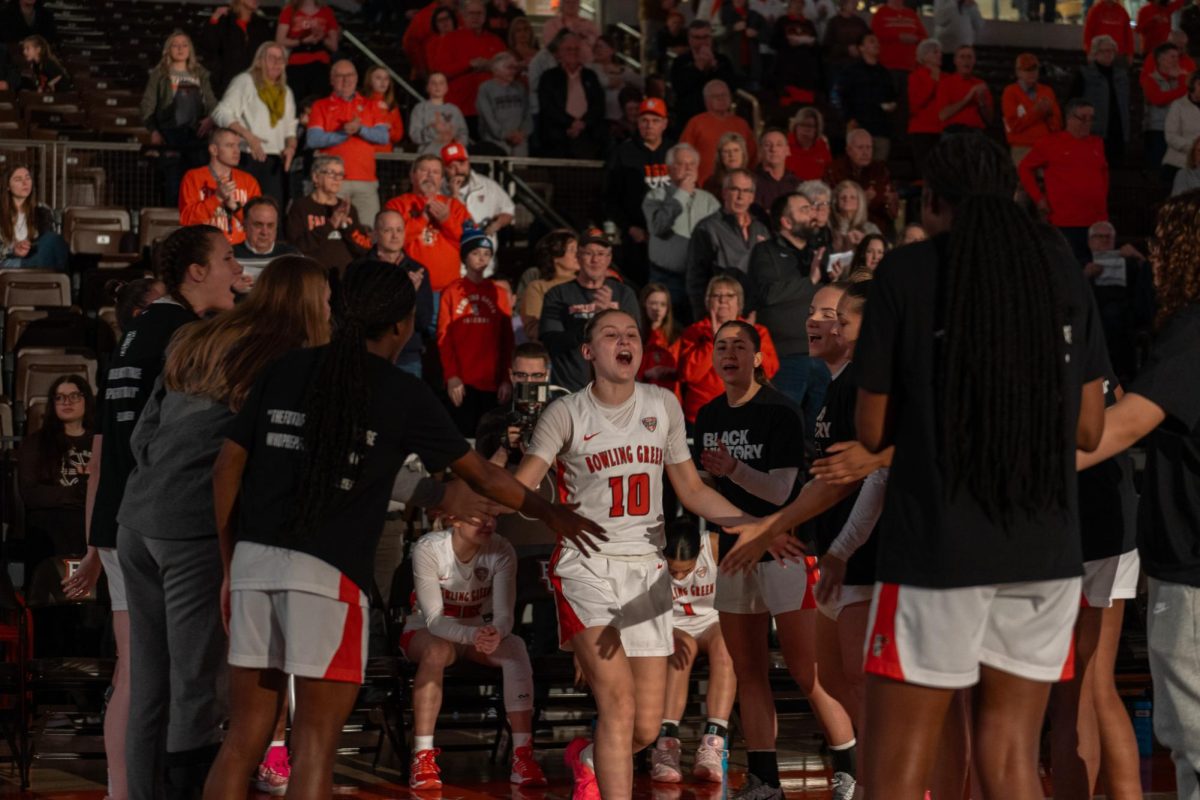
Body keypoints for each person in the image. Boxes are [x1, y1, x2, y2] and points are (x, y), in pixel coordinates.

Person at [729, 132, 1106, 800]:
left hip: (941, 540)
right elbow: (1088, 427)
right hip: (1046, 544)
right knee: (1013, 760)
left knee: (898, 770)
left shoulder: (907, 274)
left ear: (931, 201)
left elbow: (873, 429)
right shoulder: (1058, 264)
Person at [199, 260, 604, 800]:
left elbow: (226, 468)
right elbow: (481, 473)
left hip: (253, 563)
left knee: (244, 739)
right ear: (401, 326)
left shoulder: (285, 370)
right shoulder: (398, 390)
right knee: (317, 746)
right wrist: (551, 512)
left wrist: (231, 566)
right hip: (327, 575)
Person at [514, 307, 761, 800]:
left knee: (647, 729)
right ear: (589, 352)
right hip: (585, 565)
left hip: (647, 571)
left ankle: (590, 757)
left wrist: (754, 525)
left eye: (631, 334)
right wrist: (546, 512)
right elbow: (521, 491)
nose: (624, 340)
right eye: (611, 334)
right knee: (618, 702)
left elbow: (690, 489)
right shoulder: (566, 412)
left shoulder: (662, 403)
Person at [117, 256, 328, 800]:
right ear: (307, 302)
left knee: (149, 686)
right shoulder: (284, 359)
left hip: (137, 518)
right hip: (192, 525)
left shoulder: (198, 336)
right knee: (195, 688)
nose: (332, 308)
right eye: (326, 298)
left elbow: (141, 438)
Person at [68, 226, 247, 800]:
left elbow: (107, 447)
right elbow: (160, 437)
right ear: (194, 272)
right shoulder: (186, 334)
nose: (237, 269)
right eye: (226, 259)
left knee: (143, 681)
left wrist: (97, 541)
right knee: (184, 683)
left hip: (125, 522)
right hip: (168, 522)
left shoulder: (135, 332)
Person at [1070, 190, 1200, 800]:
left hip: (1192, 572)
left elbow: (1118, 428)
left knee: (1192, 745)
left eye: (1163, 242)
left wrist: (1002, 466)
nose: (1152, 256)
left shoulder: (1194, 328)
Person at [691, 317, 854, 800]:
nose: (730, 353)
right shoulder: (709, 415)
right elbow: (702, 489)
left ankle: (850, 766)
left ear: (759, 357)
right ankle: (765, 780)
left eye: (740, 346)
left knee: (810, 673)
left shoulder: (780, 411)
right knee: (748, 671)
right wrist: (740, 525)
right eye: (722, 346)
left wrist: (734, 469)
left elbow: (783, 489)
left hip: (786, 549)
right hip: (738, 550)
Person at [402, 516, 546, 789]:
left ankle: (523, 755)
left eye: (491, 515)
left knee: (515, 647)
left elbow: (505, 616)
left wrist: (496, 633)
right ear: (454, 519)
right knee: (436, 650)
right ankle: (422, 756)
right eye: (476, 515)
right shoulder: (430, 548)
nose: (487, 523)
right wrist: (475, 635)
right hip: (426, 630)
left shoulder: (502, 549)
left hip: (475, 631)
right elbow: (434, 620)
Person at [650, 520, 736, 784]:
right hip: (673, 624)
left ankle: (713, 742)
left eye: (684, 571)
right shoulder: (650, 553)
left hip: (712, 622)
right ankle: (666, 746)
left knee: (726, 646)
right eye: (673, 572)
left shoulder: (714, 546)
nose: (678, 577)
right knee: (682, 650)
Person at [747, 192, 828, 421]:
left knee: (820, 430)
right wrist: (809, 281)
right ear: (786, 221)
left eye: (811, 208)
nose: (812, 213)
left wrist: (831, 277)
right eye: (804, 209)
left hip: (822, 355)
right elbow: (767, 293)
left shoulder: (817, 251)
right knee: (783, 424)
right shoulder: (765, 252)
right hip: (785, 356)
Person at [540, 228, 640, 391]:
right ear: (578, 257)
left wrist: (610, 317)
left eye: (601, 254)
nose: (595, 260)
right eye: (588, 253)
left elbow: (635, 340)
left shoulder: (624, 294)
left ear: (609, 258)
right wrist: (595, 320)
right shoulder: (557, 295)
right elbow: (552, 343)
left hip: (613, 390)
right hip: (569, 390)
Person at [438, 228, 514, 434]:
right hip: (463, 382)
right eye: (476, 253)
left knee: (491, 438)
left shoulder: (498, 293)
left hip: (493, 382)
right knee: (465, 437)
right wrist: (452, 376)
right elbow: (444, 338)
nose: (482, 258)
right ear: (465, 256)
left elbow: (507, 340)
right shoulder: (452, 292)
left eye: (486, 254)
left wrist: (507, 378)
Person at [17, 375, 94, 579]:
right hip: (52, 528)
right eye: (59, 397)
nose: (66, 402)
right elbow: (32, 494)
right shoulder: (35, 443)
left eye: (74, 396)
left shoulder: (101, 442)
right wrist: (79, 493)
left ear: (86, 399)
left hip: (90, 527)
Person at [1018, 98, 1110, 262]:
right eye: (1083, 118)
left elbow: (1103, 174)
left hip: (1095, 222)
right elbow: (1024, 168)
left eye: (1091, 118)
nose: (1087, 123)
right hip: (1065, 220)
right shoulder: (1050, 143)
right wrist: (1038, 199)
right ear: (1069, 119)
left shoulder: (1097, 143)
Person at [679, 275, 779, 423]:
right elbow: (689, 374)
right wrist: (712, 343)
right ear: (708, 301)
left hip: (746, 412)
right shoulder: (694, 332)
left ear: (739, 302)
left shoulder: (757, 332)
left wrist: (747, 342)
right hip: (703, 415)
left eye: (730, 295)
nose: (723, 300)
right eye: (717, 295)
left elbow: (767, 371)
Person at [212, 41, 298, 205]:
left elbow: (290, 129)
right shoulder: (245, 81)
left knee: (272, 213)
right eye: (271, 57)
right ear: (259, 61)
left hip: (274, 162)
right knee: (244, 210)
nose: (276, 62)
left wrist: (291, 147)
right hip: (248, 157)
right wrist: (248, 136)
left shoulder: (286, 92)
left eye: (280, 58)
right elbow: (221, 112)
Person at [306, 60, 390, 225]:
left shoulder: (371, 105)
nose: (346, 80)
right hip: (332, 182)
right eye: (340, 76)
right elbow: (313, 139)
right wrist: (343, 133)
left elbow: (383, 137)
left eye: (350, 75)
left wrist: (360, 129)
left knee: (367, 231)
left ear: (357, 78)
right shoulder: (320, 106)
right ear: (331, 80)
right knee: (331, 229)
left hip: (366, 182)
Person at [643, 142, 720, 320]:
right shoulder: (655, 196)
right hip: (665, 278)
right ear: (669, 168)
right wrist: (682, 194)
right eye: (680, 163)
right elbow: (658, 227)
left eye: (691, 164)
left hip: (700, 280)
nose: (687, 168)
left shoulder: (709, 201)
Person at [141, 31, 219, 205]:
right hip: (171, 134)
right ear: (168, 49)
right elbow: (148, 104)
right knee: (174, 184)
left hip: (197, 135)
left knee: (199, 183)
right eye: (175, 45)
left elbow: (212, 103)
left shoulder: (201, 73)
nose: (180, 48)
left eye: (184, 45)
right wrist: (153, 130)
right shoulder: (159, 74)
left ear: (190, 49)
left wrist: (211, 119)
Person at [604, 96, 672, 286]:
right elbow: (610, 198)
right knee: (638, 286)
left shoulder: (675, 152)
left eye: (655, 120)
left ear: (664, 123)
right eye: (644, 120)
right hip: (637, 239)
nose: (649, 125)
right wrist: (629, 227)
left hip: (671, 239)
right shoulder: (622, 153)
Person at [383, 154, 471, 293]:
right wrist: (422, 219)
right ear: (412, 176)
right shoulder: (396, 205)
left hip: (448, 290)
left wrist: (446, 220)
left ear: (441, 179)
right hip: (408, 286)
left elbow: (469, 244)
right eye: (424, 170)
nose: (429, 175)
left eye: (435, 172)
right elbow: (391, 243)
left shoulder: (454, 206)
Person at [1081, 221, 1156, 383]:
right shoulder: (1081, 262)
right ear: (1089, 241)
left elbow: (1150, 284)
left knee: (1115, 315)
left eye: (1107, 237)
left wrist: (1139, 257)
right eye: (1098, 236)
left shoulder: (1128, 261)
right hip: (1091, 312)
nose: (1103, 240)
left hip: (1124, 314)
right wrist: (1084, 275)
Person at [367, 209, 434, 377]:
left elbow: (423, 321)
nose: (395, 236)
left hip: (408, 358)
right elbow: (366, 315)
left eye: (399, 230)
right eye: (388, 230)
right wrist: (403, 293)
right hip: (370, 355)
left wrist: (412, 295)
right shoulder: (361, 269)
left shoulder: (419, 271)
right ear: (375, 234)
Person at [285, 155, 372, 273]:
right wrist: (330, 224)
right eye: (331, 173)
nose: (337, 179)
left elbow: (364, 248)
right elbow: (295, 247)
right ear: (316, 177)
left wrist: (347, 227)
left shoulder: (349, 209)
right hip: (312, 276)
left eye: (341, 174)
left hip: (344, 278)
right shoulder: (301, 207)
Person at [427, 0, 506, 127]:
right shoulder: (450, 39)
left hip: (491, 107)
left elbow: (506, 68)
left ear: (485, 16)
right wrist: (469, 64)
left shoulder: (495, 41)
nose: (475, 17)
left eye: (479, 13)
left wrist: (491, 65)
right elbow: (441, 71)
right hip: (460, 107)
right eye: (471, 13)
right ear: (463, 15)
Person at [179, 127, 263, 245]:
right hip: (205, 247)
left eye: (238, 145)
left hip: (240, 247)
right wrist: (217, 199)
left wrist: (235, 207)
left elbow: (257, 223)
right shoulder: (193, 177)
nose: (237, 151)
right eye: (229, 145)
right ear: (214, 150)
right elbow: (186, 220)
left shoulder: (249, 181)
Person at [443, 142, 514, 276]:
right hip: (452, 268)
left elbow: (508, 210)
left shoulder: (488, 185)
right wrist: (453, 195)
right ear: (444, 169)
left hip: (485, 268)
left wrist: (497, 223)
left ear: (469, 163)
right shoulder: (438, 191)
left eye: (462, 163)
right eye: (452, 166)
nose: (458, 170)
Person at [536, 32, 607, 159]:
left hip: (587, 134)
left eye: (576, 49)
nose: (573, 52)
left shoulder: (590, 75)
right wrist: (570, 123)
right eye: (568, 49)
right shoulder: (549, 77)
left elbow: (598, 105)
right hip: (558, 135)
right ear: (559, 53)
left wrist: (583, 124)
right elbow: (548, 107)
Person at [835, 33, 898, 161]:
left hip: (880, 127)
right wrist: (848, 118)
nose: (876, 44)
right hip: (859, 125)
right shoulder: (851, 72)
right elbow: (841, 96)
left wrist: (892, 105)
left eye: (877, 41)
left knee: (879, 168)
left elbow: (892, 96)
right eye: (871, 41)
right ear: (861, 48)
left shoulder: (884, 73)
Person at [1070, 34, 1130, 166]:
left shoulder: (1121, 75)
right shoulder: (1085, 74)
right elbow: (1074, 101)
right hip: (1094, 129)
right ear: (1095, 53)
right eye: (1104, 51)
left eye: (1111, 51)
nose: (1108, 54)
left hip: (1117, 130)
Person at [823, 129, 897, 235]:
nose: (865, 152)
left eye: (869, 147)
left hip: (876, 227)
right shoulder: (834, 169)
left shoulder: (880, 170)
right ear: (848, 150)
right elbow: (832, 204)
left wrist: (891, 204)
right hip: (843, 227)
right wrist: (861, 199)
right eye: (860, 148)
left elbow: (889, 206)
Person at [198, 0, 275, 95]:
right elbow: (208, 48)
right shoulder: (224, 22)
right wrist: (214, 19)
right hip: (227, 86)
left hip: (254, 86)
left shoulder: (261, 25)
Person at [670, 20, 739, 124]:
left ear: (711, 38)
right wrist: (698, 68)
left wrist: (715, 67)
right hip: (690, 117)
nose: (702, 42)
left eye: (706, 37)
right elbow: (679, 88)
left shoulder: (722, 60)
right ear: (690, 39)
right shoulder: (680, 62)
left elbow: (732, 86)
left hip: (719, 117)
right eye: (697, 38)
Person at [275, 0, 339, 109]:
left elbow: (334, 46)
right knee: (295, 103)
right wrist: (302, 41)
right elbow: (279, 41)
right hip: (296, 64)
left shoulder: (327, 12)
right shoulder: (289, 11)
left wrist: (321, 37)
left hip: (320, 64)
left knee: (320, 103)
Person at [0, 163, 66, 269]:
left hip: (35, 258)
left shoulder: (42, 211)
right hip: (8, 262)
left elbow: (46, 244)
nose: (25, 183)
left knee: (53, 239)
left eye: (28, 178)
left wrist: (29, 247)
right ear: (7, 186)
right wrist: (13, 250)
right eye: (18, 179)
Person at [519, 229, 580, 342]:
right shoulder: (538, 287)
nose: (578, 255)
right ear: (556, 256)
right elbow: (532, 328)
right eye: (572, 250)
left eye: (578, 250)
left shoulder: (585, 284)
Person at [1002, 52, 1062, 165]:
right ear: (1018, 72)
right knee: (1023, 181)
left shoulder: (1047, 91)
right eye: (1027, 69)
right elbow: (1013, 125)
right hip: (1022, 148)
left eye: (1034, 69)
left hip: (1045, 148)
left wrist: (1048, 116)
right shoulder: (1010, 92)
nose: (1032, 73)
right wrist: (1037, 112)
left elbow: (1057, 125)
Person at [1142, 42, 1189, 176]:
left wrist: (1181, 79)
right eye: (1172, 57)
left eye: (1177, 57)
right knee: (1157, 169)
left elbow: (1189, 97)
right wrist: (1182, 82)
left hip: (1178, 131)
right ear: (1161, 59)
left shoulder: (1180, 79)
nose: (1176, 61)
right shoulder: (1150, 80)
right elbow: (1158, 99)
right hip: (1158, 129)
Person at [476, 51, 533, 156]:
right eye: (509, 68)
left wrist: (523, 133)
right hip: (496, 142)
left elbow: (527, 114)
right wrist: (505, 135)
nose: (513, 71)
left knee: (521, 171)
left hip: (520, 141)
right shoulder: (486, 88)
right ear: (496, 70)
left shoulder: (520, 87)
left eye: (515, 68)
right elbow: (488, 117)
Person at [771, 0, 823, 107]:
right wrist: (787, 42)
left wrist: (811, 44)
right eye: (795, 3)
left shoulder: (808, 24)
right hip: (786, 69)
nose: (798, 6)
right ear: (790, 4)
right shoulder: (782, 21)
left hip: (806, 70)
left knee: (806, 100)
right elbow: (773, 42)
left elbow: (817, 46)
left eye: (800, 4)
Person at [410, 71, 472, 155]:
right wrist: (433, 129)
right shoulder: (420, 109)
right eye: (433, 83)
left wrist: (457, 145)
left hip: (450, 158)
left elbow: (463, 133)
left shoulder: (454, 110)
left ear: (446, 87)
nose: (437, 86)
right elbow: (414, 136)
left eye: (441, 83)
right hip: (428, 157)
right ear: (427, 87)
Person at [936, 45, 992, 132]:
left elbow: (989, 119)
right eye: (962, 57)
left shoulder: (980, 84)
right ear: (955, 61)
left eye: (969, 57)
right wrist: (968, 97)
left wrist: (982, 102)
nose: (966, 61)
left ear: (974, 61)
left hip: (976, 133)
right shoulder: (945, 83)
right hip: (954, 134)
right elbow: (942, 115)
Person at [637, 282, 681, 392]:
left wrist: (669, 371)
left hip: (671, 395)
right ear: (644, 304)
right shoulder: (636, 334)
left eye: (663, 304)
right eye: (653, 303)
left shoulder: (676, 337)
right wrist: (646, 373)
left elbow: (685, 372)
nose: (657, 308)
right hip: (643, 393)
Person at [593, 36, 645, 125]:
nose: (598, 50)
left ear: (612, 50)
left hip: (623, 117)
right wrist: (619, 79)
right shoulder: (590, 68)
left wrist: (620, 73)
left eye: (601, 47)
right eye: (596, 47)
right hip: (602, 116)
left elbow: (642, 83)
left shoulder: (622, 69)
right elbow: (606, 82)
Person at [907, 39, 943, 168]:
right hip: (921, 129)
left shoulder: (945, 77)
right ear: (925, 56)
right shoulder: (915, 76)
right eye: (935, 52)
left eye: (939, 52)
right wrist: (933, 82)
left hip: (941, 129)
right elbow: (916, 103)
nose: (939, 55)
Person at [403, 0, 461, 79]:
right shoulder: (423, 17)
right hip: (433, 75)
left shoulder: (460, 14)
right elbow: (410, 44)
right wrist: (422, 70)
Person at [716, 0, 767, 87]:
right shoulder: (720, 13)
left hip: (752, 69)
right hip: (730, 68)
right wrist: (732, 29)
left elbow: (769, 35)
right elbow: (714, 36)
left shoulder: (754, 15)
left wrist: (756, 34)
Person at [822, 0, 870, 91]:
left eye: (855, 3)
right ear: (844, 5)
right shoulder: (834, 22)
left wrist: (860, 49)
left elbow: (867, 38)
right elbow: (828, 45)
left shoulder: (860, 23)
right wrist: (846, 49)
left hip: (857, 65)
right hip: (839, 65)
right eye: (852, 3)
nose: (854, 5)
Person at [233, 196, 297, 261]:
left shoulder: (291, 256)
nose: (264, 232)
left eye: (270, 226)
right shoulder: (231, 256)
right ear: (245, 225)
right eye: (258, 225)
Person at [1163, 71, 1200, 185]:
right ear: (1192, 85)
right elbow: (1171, 136)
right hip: (1177, 163)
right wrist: (1194, 147)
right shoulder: (1178, 105)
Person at [753, 129, 800, 216]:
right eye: (767, 145)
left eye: (779, 145)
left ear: (788, 151)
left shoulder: (796, 184)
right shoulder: (750, 182)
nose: (773, 149)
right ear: (760, 151)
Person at [871, 0, 926, 73]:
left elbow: (924, 37)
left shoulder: (911, 14)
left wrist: (915, 39)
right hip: (887, 66)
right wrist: (898, 37)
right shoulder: (880, 14)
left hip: (910, 66)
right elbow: (875, 35)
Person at [828, 179, 881, 254]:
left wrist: (864, 244)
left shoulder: (871, 228)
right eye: (843, 197)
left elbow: (881, 254)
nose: (847, 200)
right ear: (836, 202)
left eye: (852, 197)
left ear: (860, 201)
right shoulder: (828, 227)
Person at [786, 107, 833, 180]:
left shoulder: (822, 145)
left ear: (817, 129)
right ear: (795, 126)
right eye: (802, 125)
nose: (805, 130)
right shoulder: (785, 143)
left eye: (810, 126)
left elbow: (828, 172)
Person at [703, 130, 751, 196]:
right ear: (720, 156)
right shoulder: (710, 184)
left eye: (736, 150)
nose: (731, 155)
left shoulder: (753, 180)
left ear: (743, 154)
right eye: (726, 151)